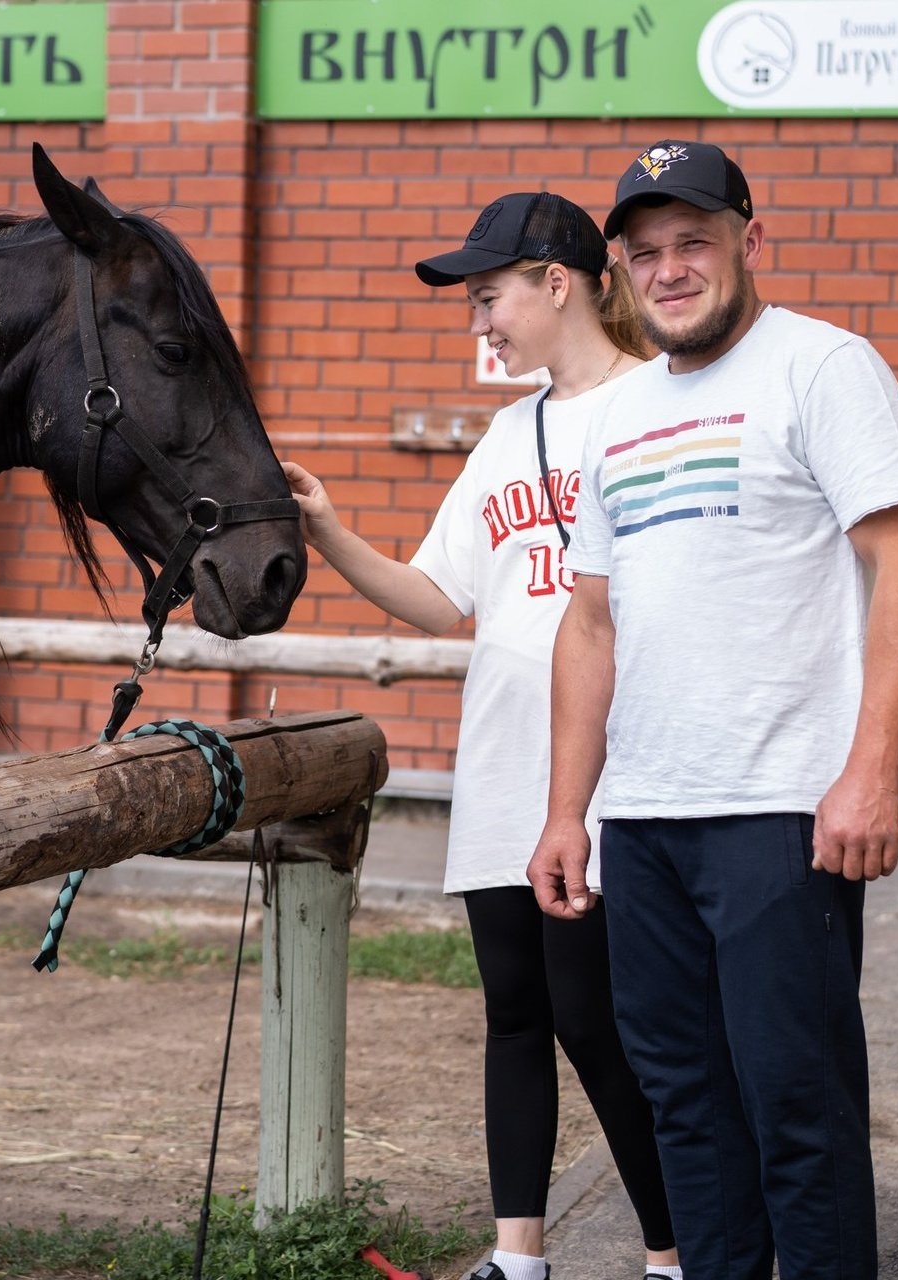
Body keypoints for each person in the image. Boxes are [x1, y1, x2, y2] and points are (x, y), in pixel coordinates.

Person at [527, 140, 898, 1279]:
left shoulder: (821, 367)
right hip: (646, 820)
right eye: (644, 251)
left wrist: (870, 768)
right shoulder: (616, 418)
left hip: (780, 809)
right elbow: (590, 624)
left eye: (694, 241)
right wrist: (567, 811)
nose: (670, 269)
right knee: (686, 1109)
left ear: (748, 241)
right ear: (616, 270)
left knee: (793, 1103)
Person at [284, 192, 680, 1280]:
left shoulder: (661, 403)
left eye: (488, 296)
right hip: (504, 757)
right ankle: (518, 1258)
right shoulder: (510, 433)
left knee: (595, 1021)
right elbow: (433, 595)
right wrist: (327, 528)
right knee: (514, 1012)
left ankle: (671, 1253)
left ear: (558, 282)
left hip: (605, 765)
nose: (480, 323)